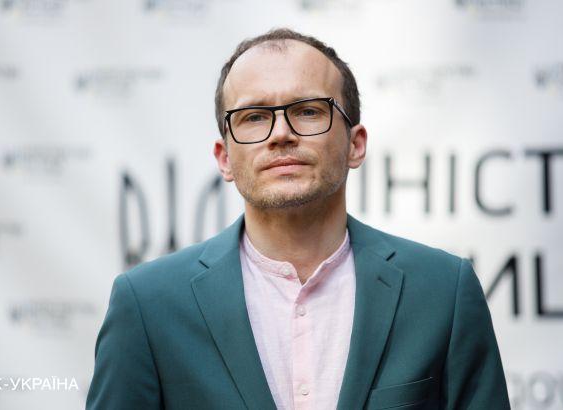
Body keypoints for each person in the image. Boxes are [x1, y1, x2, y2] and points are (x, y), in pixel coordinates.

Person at [86, 28, 511, 410]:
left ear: (356, 144)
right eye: (254, 117)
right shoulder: (147, 305)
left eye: (308, 110)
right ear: (224, 158)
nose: (280, 134)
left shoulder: (443, 292)